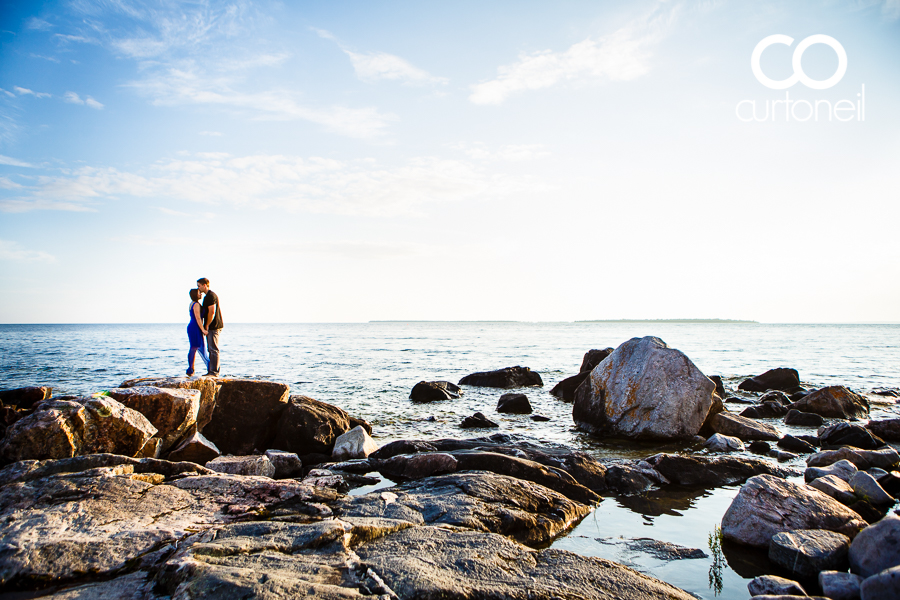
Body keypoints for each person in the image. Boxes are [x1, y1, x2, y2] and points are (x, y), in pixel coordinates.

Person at [197, 277, 223, 376]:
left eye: (199, 286)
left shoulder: (211, 296)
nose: (198, 288)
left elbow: (212, 312)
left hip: (214, 326)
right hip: (212, 326)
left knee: (213, 349)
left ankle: (214, 372)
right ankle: (211, 371)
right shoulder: (207, 296)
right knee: (211, 348)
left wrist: (207, 325)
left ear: (205, 285)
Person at [186, 288, 209, 376]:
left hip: (193, 326)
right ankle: (191, 369)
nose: (201, 294)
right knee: (195, 347)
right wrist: (203, 329)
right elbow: (198, 318)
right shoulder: (195, 304)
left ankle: (191, 369)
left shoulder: (193, 303)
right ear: (196, 294)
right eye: (199, 293)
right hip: (195, 327)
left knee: (195, 348)